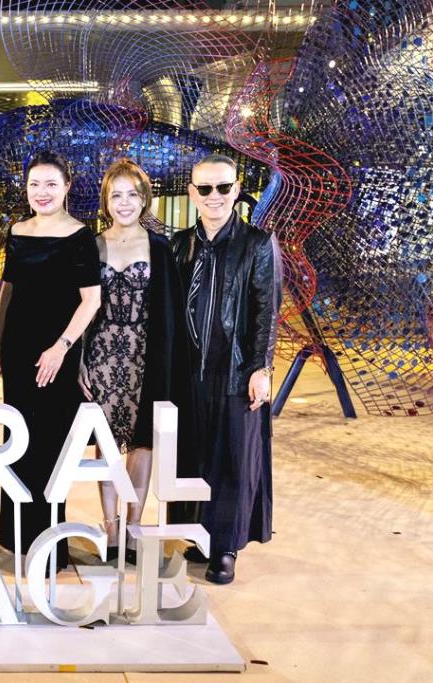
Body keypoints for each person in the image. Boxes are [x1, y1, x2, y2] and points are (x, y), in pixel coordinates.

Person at [171, 154, 282, 584]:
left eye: (222, 187)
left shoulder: (257, 243)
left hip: (235, 372)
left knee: (234, 459)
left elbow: (266, 311)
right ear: (192, 193)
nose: (213, 196)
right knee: (195, 454)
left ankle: (226, 547)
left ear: (236, 190)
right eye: (205, 188)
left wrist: (261, 368)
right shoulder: (181, 244)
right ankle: (201, 535)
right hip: (190, 374)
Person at [0, 151, 101, 569]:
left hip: (57, 353)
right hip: (18, 350)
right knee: (17, 441)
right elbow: (8, 288)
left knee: (51, 445)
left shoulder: (80, 236)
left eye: (51, 184)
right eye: (34, 184)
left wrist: (61, 347)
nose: (42, 192)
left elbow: (90, 300)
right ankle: (16, 538)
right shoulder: (18, 231)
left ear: (67, 187)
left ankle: (51, 544)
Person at [78, 159, 191, 564]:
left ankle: (133, 527)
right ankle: (111, 529)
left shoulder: (160, 247)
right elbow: (81, 307)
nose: (124, 202)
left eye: (132, 194)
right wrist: (79, 360)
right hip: (102, 356)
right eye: (116, 195)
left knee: (142, 443)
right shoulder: (92, 245)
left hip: (146, 355)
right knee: (106, 444)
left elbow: (172, 312)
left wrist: (170, 363)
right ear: (106, 201)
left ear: (144, 199)